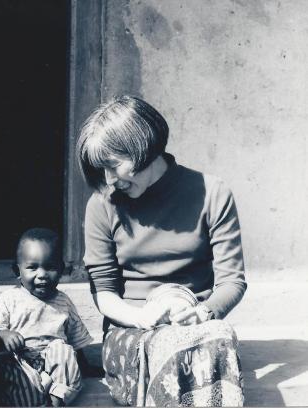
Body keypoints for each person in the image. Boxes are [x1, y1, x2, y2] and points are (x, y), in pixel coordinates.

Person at [76, 96, 247, 406]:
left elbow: (232, 281)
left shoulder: (212, 193)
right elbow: (104, 294)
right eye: (102, 170)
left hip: (197, 324)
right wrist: (143, 317)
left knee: (218, 336)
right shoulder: (102, 205)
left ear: (142, 148)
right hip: (131, 330)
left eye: (113, 165)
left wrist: (201, 313)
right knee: (170, 346)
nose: (109, 180)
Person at [0, 228, 94, 406]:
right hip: (21, 361)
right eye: (32, 267)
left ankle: (57, 400)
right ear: (17, 270)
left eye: (50, 267)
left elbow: (76, 341)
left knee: (63, 350)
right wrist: (3, 334)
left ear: (61, 269)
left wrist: (84, 367)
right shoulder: (9, 299)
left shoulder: (64, 302)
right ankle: (33, 400)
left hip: (53, 365)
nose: (42, 275)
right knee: (5, 362)